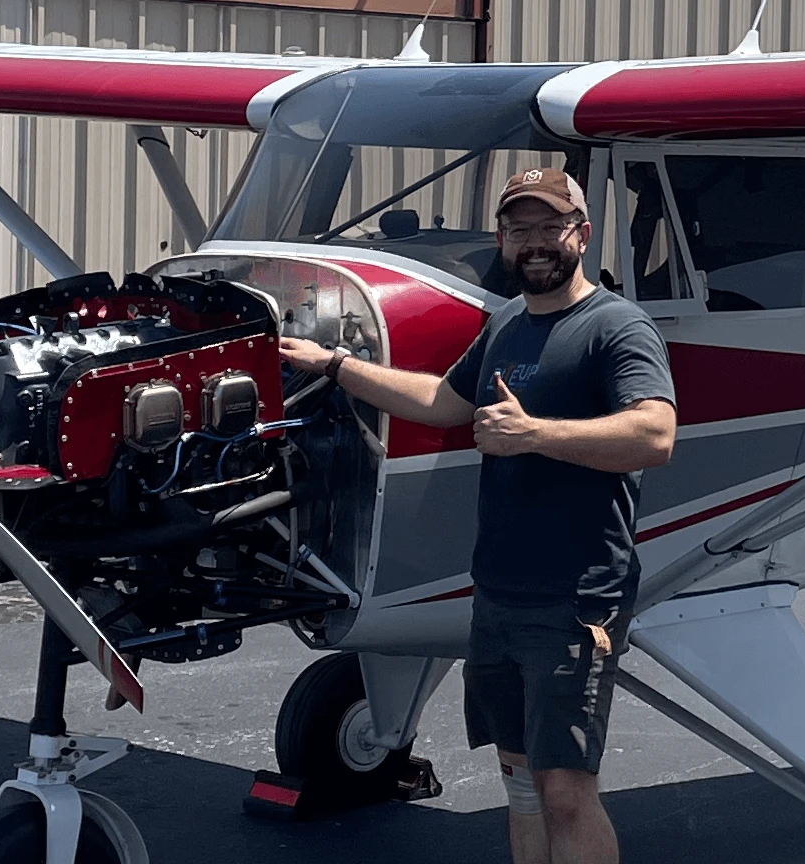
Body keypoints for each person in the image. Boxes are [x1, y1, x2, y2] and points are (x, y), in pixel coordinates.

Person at [279, 167, 677, 864]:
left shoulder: (615, 326)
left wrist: (535, 435)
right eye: (519, 229)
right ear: (501, 240)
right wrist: (335, 364)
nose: (534, 242)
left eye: (550, 227)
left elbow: (654, 435)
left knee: (565, 791)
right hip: (496, 596)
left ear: (582, 235)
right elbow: (442, 402)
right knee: (521, 786)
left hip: (574, 600)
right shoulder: (508, 324)